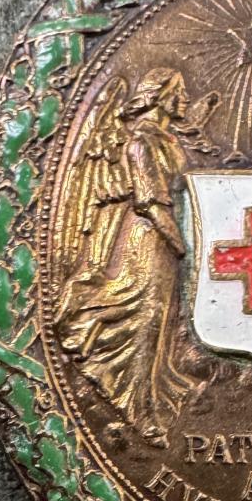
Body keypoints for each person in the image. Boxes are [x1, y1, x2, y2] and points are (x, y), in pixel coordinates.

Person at [56, 69, 197, 448]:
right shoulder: (141, 143)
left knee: (158, 321)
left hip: (166, 235)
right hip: (152, 238)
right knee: (144, 317)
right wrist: (183, 247)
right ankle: (137, 408)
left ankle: (149, 398)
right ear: (160, 96)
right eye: (180, 92)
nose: (185, 99)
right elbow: (150, 203)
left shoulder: (165, 139)